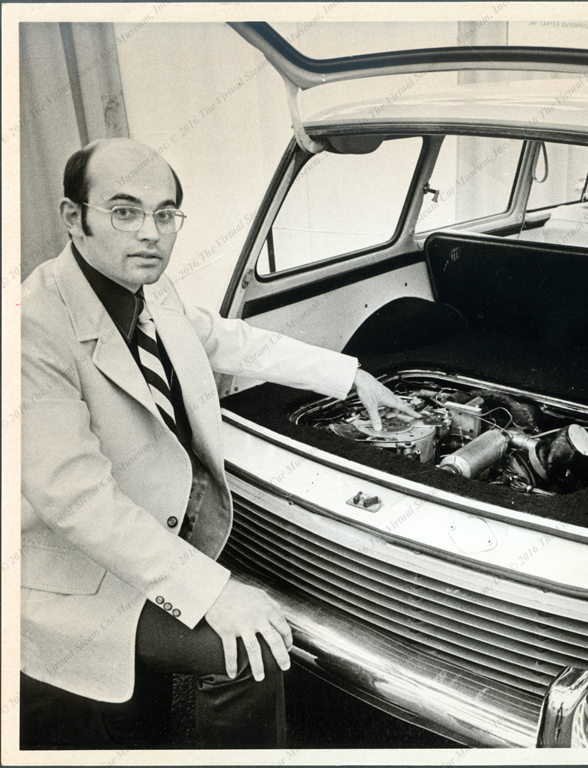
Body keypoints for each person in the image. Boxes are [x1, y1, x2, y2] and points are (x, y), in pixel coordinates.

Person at [19, 138, 417, 749]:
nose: (150, 233)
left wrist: (352, 375)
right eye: (124, 212)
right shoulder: (30, 327)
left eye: (165, 214)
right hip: (77, 578)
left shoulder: (151, 291)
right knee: (249, 650)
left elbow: (234, 341)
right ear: (75, 218)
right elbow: (75, 501)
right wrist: (214, 590)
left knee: (145, 720)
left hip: (147, 544)